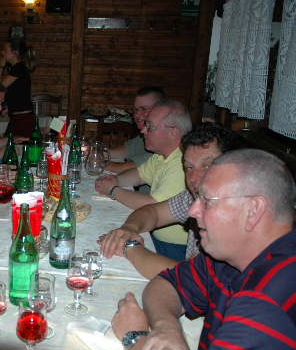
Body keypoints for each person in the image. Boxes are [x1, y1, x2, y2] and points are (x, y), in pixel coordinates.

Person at [111, 149, 296, 350]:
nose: (193, 210)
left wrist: (135, 337)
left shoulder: (270, 299)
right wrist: (167, 328)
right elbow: (166, 283)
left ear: (253, 210)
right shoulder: (231, 254)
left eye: (207, 200)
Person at [99, 123, 247, 278]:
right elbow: (154, 212)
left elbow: (191, 278)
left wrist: (130, 246)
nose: (194, 178)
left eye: (206, 166)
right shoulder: (194, 197)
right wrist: (129, 228)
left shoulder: (235, 217)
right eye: (189, 167)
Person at [95, 99, 191, 261]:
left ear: (173, 132)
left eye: (150, 126)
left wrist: (113, 191)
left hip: (175, 249)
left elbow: (152, 205)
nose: (143, 130)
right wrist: (115, 180)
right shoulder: (162, 155)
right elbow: (139, 175)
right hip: (156, 237)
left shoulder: (181, 163)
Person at [106, 86, 164, 174]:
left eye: (144, 109)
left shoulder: (163, 139)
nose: (137, 114)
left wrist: (97, 160)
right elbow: (118, 153)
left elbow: (122, 168)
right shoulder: (143, 136)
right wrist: (92, 151)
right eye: (136, 110)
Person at [0, 38, 36, 138]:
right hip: (18, 117)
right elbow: (16, 92)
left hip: (23, 119)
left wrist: (0, 68)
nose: (2, 52)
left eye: (5, 50)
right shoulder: (17, 68)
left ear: (15, 52)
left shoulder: (19, 68)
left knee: (11, 144)